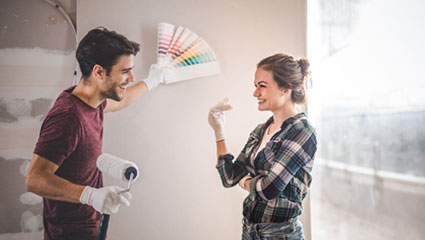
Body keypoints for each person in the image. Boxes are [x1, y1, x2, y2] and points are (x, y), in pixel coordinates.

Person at [25, 27, 165, 239]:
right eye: (125, 71)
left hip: (89, 225)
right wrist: (89, 195)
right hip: (69, 233)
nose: (131, 77)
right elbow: (34, 178)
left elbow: (123, 100)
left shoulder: (92, 102)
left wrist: (154, 80)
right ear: (99, 72)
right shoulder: (69, 118)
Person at [208, 53, 317, 240]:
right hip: (250, 231)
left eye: (262, 86)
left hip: (281, 234)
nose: (255, 93)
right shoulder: (261, 130)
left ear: (285, 88)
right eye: (255, 86)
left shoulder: (302, 132)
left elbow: (269, 189)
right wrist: (219, 131)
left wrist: (245, 181)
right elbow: (229, 177)